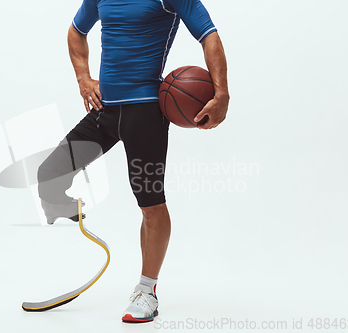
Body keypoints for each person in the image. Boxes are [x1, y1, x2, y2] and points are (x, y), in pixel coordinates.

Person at [37, 0, 229, 323]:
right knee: (50, 174)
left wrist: (221, 93)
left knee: (150, 205)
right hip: (106, 112)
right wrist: (84, 77)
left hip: (146, 115)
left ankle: (147, 290)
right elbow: (75, 31)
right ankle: (71, 210)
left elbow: (208, 35)